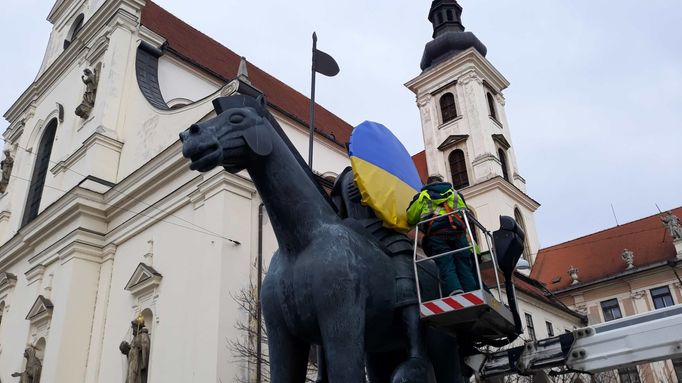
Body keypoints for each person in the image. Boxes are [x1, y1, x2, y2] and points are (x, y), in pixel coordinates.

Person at [407, 174, 478, 295]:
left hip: (437, 235)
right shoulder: (455, 194)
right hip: (458, 234)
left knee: (446, 264)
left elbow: (411, 217)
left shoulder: (422, 196)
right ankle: (473, 293)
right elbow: (465, 213)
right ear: (442, 182)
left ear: (427, 185)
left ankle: (455, 291)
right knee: (464, 266)